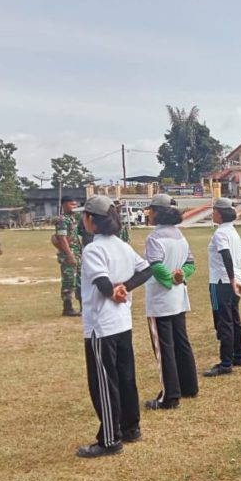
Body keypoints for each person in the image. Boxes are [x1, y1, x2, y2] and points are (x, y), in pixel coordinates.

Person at [77, 195, 152, 458]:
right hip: (122, 322)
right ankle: (131, 427)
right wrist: (125, 288)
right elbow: (146, 270)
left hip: (101, 325)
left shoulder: (93, 249)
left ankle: (109, 439)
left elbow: (101, 283)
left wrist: (114, 291)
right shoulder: (121, 245)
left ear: (91, 220)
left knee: (104, 383)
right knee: (125, 377)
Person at [142, 194, 199, 410]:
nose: (149, 214)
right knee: (181, 342)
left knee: (164, 347)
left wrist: (168, 280)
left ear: (157, 212)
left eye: (150, 210)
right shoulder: (179, 236)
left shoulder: (154, 238)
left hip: (160, 299)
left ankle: (169, 396)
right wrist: (180, 276)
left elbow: (155, 266)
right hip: (178, 298)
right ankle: (189, 386)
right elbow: (191, 264)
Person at [205, 197, 241, 377]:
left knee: (224, 322)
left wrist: (230, 278)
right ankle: (237, 355)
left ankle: (225, 362)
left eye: (214, 211)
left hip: (221, 282)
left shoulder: (220, 233)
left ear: (220, 214)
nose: (212, 214)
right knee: (234, 319)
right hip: (235, 281)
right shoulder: (233, 232)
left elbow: (225, 255)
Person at [52, 196, 82, 316]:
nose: (74, 207)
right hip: (68, 255)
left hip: (77, 253)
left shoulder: (72, 219)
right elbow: (62, 238)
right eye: (71, 204)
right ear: (64, 205)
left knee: (79, 280)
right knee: (69, 280)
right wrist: (69, 254)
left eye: (75, 205)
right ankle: (67, 307)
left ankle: (83, 306)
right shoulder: (62, 220)